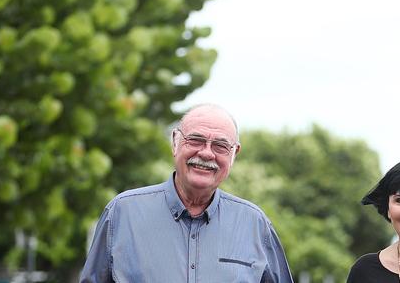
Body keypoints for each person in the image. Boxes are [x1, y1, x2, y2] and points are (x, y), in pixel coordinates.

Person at [79, 104, 294, 283]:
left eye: (220, 145)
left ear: (234, 154)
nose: (206, 152)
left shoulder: (254, 224)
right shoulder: (122, 213)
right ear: (175, 142)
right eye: (196, 140)